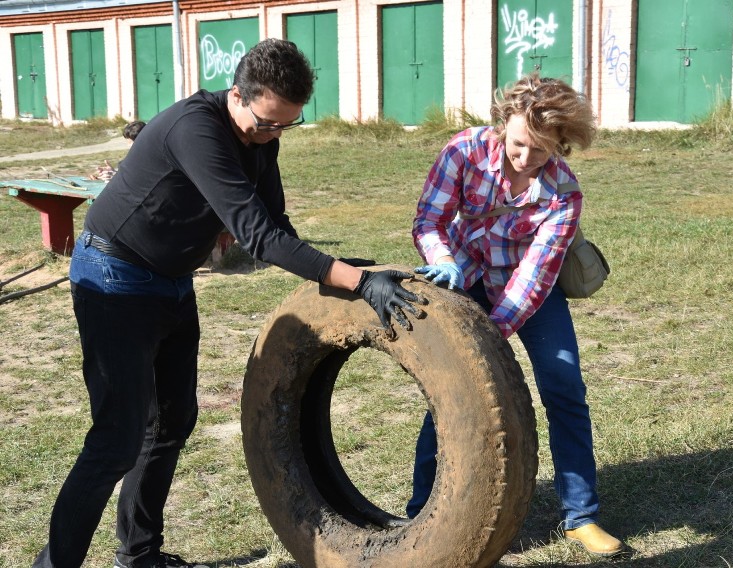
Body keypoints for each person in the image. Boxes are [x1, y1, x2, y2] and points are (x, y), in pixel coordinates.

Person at [34, 39, 424, 568]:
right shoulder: (197, 129)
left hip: (170, 281)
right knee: (116, 440)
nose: (273, 135)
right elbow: (257, 237)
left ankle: (139, 554)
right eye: (267, 123)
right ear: (237, 94)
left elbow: (277, 224)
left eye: (287, 125)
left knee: (172, 422)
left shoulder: (262, 138)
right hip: (115, 278)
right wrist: (354, 280)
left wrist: (342, 271)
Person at [406, 73, 626, 557]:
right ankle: (422, 507)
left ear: (562, 144)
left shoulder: (564, 194)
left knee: (565, 386)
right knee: (449, 390)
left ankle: (581, 515)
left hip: (532, 291)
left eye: (542, 151)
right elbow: (429, 219)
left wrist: (490, 333)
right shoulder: (461, 153)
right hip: (466, 276)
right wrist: (441, 257)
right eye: (520, 144)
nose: (525, 159)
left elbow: (535, 274)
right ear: (505, 121)